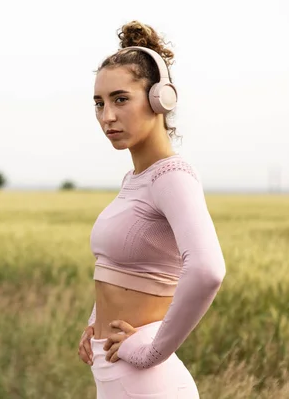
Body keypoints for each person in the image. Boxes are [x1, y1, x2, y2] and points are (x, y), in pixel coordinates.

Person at [77, 20, 226, 398]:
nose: (106, 116)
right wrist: (95, 325)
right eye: (99, 103)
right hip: (115, 374)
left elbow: (208, 270)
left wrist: (150, 352)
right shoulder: (136, 180)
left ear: (161, 99)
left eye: (120, 99)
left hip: (148, 383)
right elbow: (121, 271)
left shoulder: (172, 177)